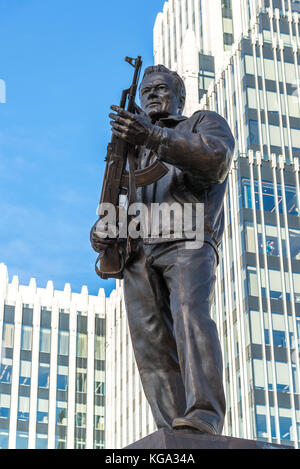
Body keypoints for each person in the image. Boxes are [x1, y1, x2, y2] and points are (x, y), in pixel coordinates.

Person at [91, 65, 235, 435]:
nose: (151, 95)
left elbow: (214, 160)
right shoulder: (133, 150)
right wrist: (103, 231)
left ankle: (204, 413)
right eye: (146, 91)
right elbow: (119, 204)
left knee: (190, 315)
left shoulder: (202, 123)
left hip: (187, 238)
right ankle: (172, 428)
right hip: (138, 253)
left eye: (160, 88)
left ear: (180, 97)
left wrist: (153, 136)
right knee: (149, 344)